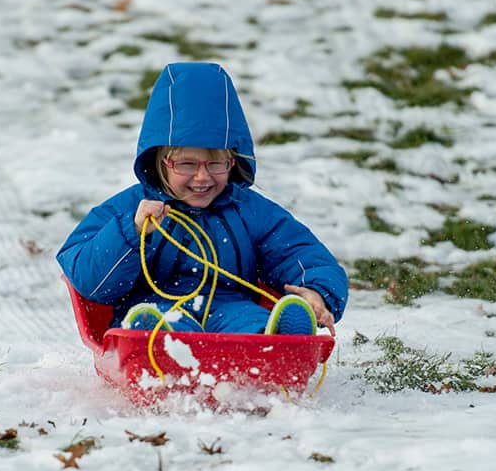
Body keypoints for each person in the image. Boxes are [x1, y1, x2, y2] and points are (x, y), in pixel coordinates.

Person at [57, 62, 348, 336]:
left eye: (215, 164)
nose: (202, 178)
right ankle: (152, 342)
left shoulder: (249, 210)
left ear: (233, 161)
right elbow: (88, 280)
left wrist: (317, 291)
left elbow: (299, 252)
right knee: (162, 323)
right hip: (159, 306)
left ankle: (277, 341)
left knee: (252, 323)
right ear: (161, 161)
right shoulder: (130, 209)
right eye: (186, 164)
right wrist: (130, 232)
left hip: (230, 306)